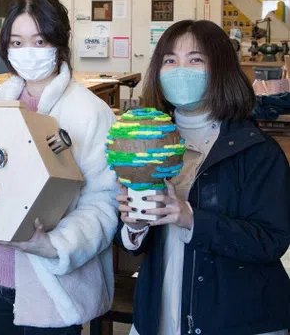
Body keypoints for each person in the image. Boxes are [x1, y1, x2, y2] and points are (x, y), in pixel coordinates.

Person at [0, 0, 119, 333]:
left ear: (59, 43)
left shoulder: (89, 113)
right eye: (16, 43)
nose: (27, 52)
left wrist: (53, 245)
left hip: (52, 286)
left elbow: (105, 203)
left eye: (39, 41)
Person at [117, 19, 290, 335]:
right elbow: (134, 244)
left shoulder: (256, 150)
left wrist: (190, 217)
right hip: (159, 312)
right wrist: (134, 225)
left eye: (195, 59)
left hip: (235, 320)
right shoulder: (145, 140)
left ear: (220, 68)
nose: (180, 70)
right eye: (170, 60)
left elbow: (270, 241)